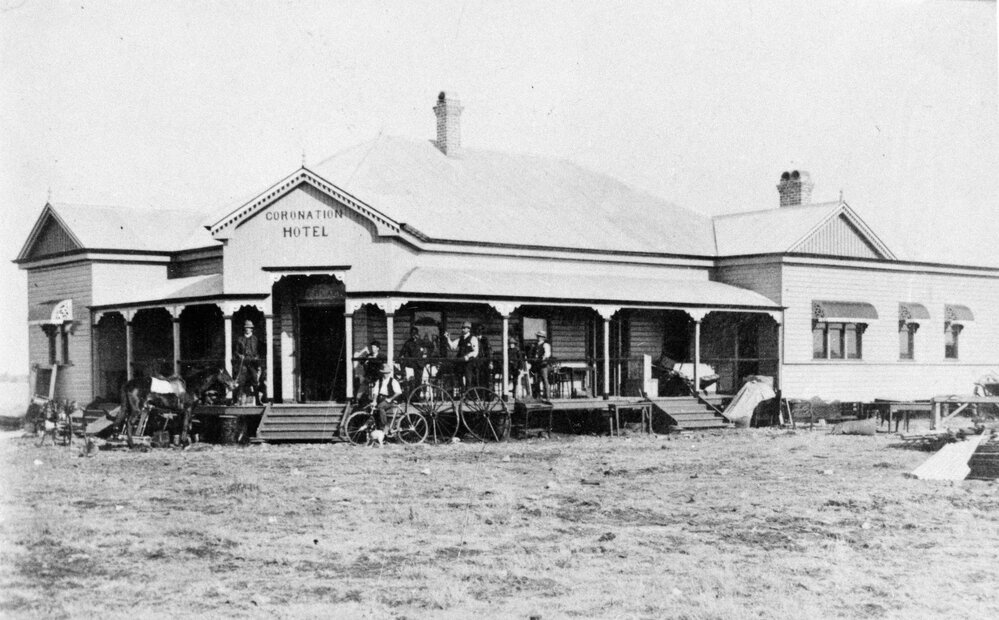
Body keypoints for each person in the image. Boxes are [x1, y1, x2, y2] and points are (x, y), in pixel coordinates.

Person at [443, 321, 478, 388]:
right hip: (460, 361)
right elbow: (452, 346)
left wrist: (467, 356)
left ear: (469, 329)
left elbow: (475, 352)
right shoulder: (461, 338)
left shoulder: (473, 338)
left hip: (469, 362)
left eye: (464, 328)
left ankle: (469, 395)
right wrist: (448, 338)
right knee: (459, 377)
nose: (463, 329)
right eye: (462, 328)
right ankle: (463, 392)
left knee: (469, 379)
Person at [368, 363, 403, 430]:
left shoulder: (393, 381)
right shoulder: (379, 381)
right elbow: (375, 391)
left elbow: (398, 392)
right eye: (384, 373)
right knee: (371, 408)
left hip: (390, 400)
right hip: (380, 399)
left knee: (380, 407)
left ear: (389, 373)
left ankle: (384, 427)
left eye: (387, 373)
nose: (385, 374)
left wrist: (390, 398)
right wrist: (374, 400)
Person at [234, 320, 261, 404]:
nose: (247, 329)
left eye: (249, 328)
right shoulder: (240, 339)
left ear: (251, 329)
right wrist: (239, 355)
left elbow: (258, 351)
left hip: (252, 363)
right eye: (246, 328)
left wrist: (257, 357)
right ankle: (238, 400)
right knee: (241, 381)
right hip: (243, 363)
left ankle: (257, 400)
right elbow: (236, 352)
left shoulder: (255, 339)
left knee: (255, 381)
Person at [529, 331, 552, 398]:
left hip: (543, 365)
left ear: (543, 338)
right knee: (536, 381)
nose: (539, 338)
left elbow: (547, 354)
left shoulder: (545, 345)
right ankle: (538, 397)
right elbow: (532, 354)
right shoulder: (535, 345)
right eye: (538, 336)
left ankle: (547, 396)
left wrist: (543, 357)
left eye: (540, 336)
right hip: (536, 365)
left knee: (544, 380)